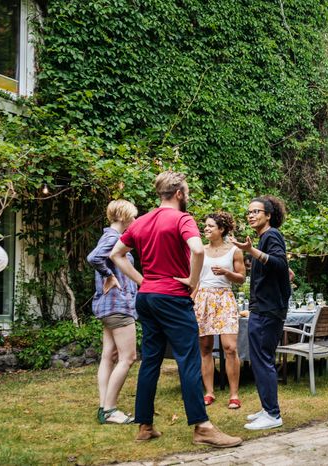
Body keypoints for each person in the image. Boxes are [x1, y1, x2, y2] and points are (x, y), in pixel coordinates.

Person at [109, 171, 241, 447]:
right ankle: (202, 427)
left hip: (146, 298)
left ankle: (144, 425)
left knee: (151, 360)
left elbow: (115, 255)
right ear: (180, 193)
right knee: (189, 359)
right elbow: (198, 250)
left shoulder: (142, 221)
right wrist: (193, 281)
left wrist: (141, 280)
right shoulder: (182, 219)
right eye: (187, 191)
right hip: (172, 297)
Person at [232, 196, 291, 430]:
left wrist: (252, 251)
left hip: (268, 310)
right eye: (249, 212)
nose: (251, 215)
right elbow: (280, 268)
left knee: (263, 360)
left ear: (268, 215)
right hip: (262, 308)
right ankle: (267, 408)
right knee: (259, 360)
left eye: (257, 211)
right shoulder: (264, 238)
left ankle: (273, 415)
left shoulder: (271, 235)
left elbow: (278, 262)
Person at [87, 199, 139, 425]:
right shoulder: (113, 238)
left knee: (109, 355)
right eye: (134, 217)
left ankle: (103, 407)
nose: (135, 221)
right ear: (126, 217)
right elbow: (94, 258)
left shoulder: (108, 236)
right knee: (128, 357)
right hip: (118, 306)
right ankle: (110, 410)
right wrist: (109, 274)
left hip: (109, 306)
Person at [195, 212, 246, 410]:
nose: (206, 229)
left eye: (210, 226)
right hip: (203, 299)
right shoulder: (199, 250)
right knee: (205, 348)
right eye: (205, 226)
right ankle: (209, 392)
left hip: (225, 299)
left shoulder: (234, 250)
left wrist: (227, 273)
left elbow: (241, 278)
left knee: (230, 348)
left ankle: (234, 395)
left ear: (221, 229)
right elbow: (195, 278)